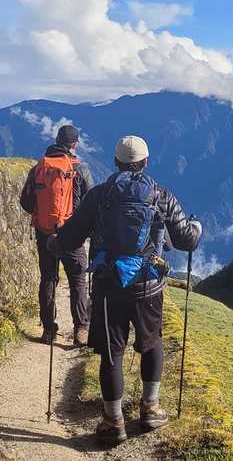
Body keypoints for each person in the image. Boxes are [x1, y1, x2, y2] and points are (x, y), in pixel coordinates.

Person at [47, 135, 202, 444]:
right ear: (145, 163)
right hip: (149, 287)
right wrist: (197, 227)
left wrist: (53, 243)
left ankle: (112, 421)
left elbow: (70, 237)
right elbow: (186, 240)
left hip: (109, 286)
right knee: (152, 343)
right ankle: (150, 409)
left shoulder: (99, 196)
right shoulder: (160, 195)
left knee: (111, 354)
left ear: (116, 162)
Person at [20, 125, 92, 347]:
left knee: (48, 279)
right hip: (72, 234)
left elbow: (26, 202)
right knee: (78, 280)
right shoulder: (80, 169)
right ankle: (80, 329)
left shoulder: (39, 167)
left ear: (57, 140)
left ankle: (48, 330)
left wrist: (42, 217)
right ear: (74, 145)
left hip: (44, 233)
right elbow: (91, 202)